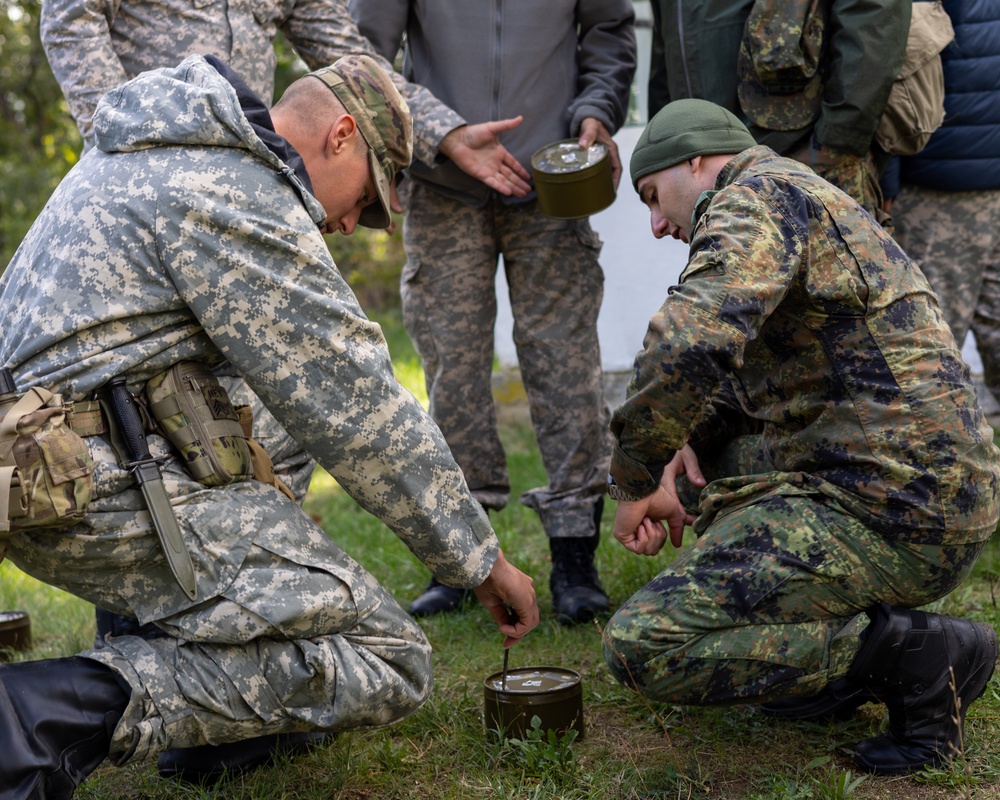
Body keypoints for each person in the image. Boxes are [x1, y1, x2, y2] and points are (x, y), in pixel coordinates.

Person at [0, 53, 539, 799]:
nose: (351, 224)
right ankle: (46, 713)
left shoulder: (149, 154)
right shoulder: (235, 192)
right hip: (91, 484)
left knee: (269, 415)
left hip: (49, 472)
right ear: (341, 135)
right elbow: (355, 402)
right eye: (369, 201)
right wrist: (477, 559)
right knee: (388, 655)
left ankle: (202, 705)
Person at [600, 98, 999, 775]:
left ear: (694, 161)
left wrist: (635, 479)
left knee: (644, 645)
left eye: (652, 196)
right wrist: (681, 445)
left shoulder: (754, 201)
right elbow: (753, 363)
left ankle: (910, 654)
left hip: (904, 507)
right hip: (918, 483)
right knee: (711, 463)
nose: (657, 223)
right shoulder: (792, 192)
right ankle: (832, 673)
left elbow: (688, 343)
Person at [349, 0, 636, 624]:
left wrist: (596, 111)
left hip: (551, 184)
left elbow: (610, 34)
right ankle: (457, 555)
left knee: (567, 365)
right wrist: (438, 135)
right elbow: (361, 55)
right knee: (453, 370)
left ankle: (574, 555)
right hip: (442, 182)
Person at [646, 0, 910, 225]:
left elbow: (872, 13)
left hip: (807, 151)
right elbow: (667, 43)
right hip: (708, 172)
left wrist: (839, 138)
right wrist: (663, 157)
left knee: (832, 280)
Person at [881, 0, 1000, 421]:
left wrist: (888, 177)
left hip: (940, 180)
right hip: (959, 177)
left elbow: (899, 70)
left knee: (928, 343)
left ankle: (939, 456)